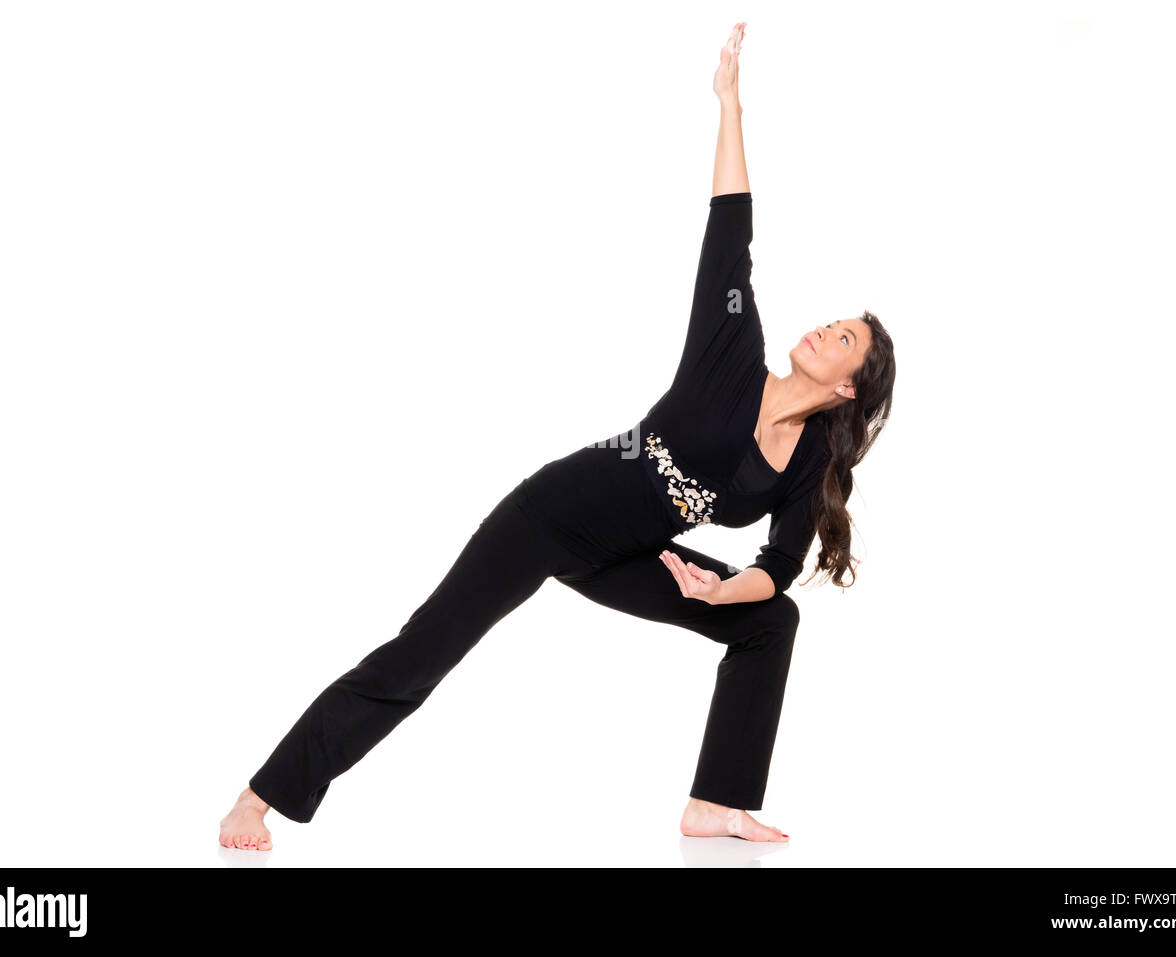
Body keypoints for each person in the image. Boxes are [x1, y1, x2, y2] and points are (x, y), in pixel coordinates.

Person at [219, 21, 896, 851]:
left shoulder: (810, 462)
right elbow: (731, 229)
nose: (825, 329)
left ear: (849, 385)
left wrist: (719, 591)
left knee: (771, 621)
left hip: (634, 552)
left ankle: (715, 804)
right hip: (556, 511)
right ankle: (259, 795)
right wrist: (730, 107)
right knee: (423, 653)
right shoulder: (732, 346)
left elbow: (779, 567)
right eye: (833, 322)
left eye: (843, 339)